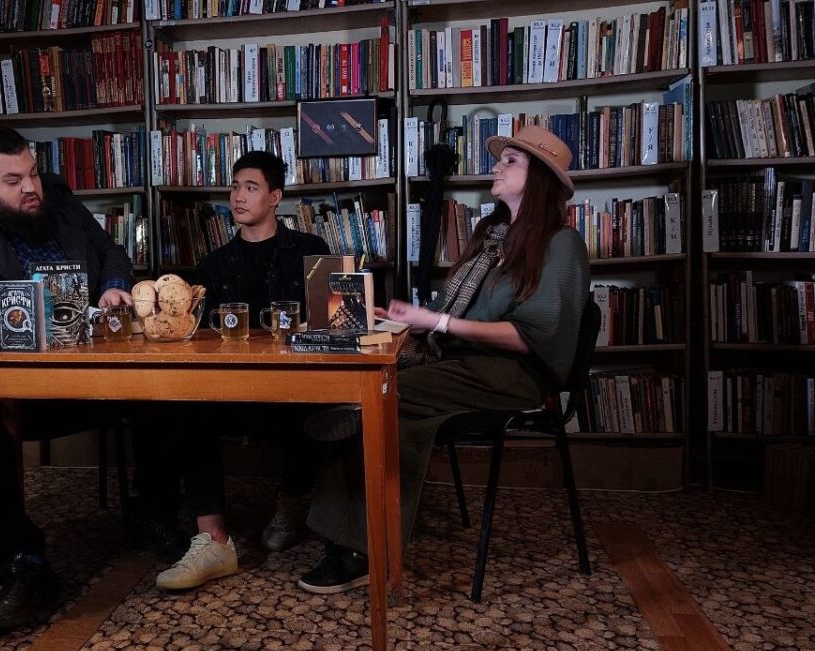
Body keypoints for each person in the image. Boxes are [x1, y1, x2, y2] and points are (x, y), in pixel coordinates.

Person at [297, 125, 591, 594]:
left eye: (511, 161)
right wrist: (401, 319)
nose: (497, 166)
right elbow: (453, 311)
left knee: (379, 395)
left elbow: (532, 335)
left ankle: (357, 534)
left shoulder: (561, 243)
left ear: (539, 179)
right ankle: (359, 542)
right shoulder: (492, 237)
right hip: (457, 366)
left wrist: (437, 322)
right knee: (392, 412)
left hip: (512, 375)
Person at [0, 126, 133, 634]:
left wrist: (112, 287)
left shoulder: (55, 194)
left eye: (32, 172)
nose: (31, 187)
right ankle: (21, 563)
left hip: (93, 365)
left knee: (169, 383)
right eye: (13, 181)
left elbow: (110, 251)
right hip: (15, 384)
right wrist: (51, 316)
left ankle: (161, 519)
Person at [132, 151, 333, 591]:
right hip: (234, 388)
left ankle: (293, 501)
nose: (238, 196)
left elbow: (334, 322)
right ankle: (212, 538)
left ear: (275, 197)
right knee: (186, 406)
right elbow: (200, 338)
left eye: (251, 187)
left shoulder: (311, 251)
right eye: (235, 187)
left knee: (326, 404)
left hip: (295, 386)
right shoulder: (213, 265)